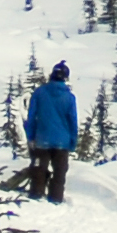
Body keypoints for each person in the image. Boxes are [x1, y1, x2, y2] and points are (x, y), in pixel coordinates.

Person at [23, 60, 77, 204]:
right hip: (62, 142)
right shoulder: (69, 97)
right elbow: (72, 120)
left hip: (42, 139)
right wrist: (72, 141)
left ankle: (36, 195)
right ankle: (56, 199)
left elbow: (32, 116)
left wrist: (30, 136)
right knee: (60, 173)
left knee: (39, 169)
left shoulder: (39, 92)